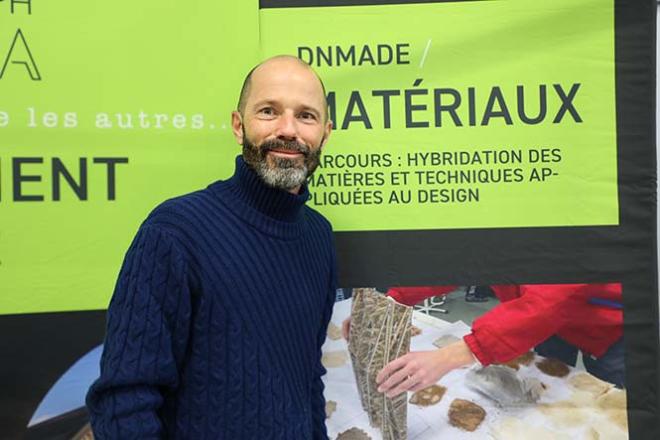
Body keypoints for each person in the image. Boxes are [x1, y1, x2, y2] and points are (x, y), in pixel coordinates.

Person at [86, 55, 336, 439]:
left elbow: (306, 379)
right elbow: (125, 400)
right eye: (269, 111)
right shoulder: (173, 232)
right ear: (239, 126)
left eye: (306, 116)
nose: (288, 130)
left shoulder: (318, 236)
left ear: (325, 132)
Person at [342, 283, 624, 398]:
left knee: (617, 402)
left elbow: (550, 301)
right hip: (547, 327)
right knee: (553, 388)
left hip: (609, 326)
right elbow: (456, 261)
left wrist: (450, 356)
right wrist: (392, 302)